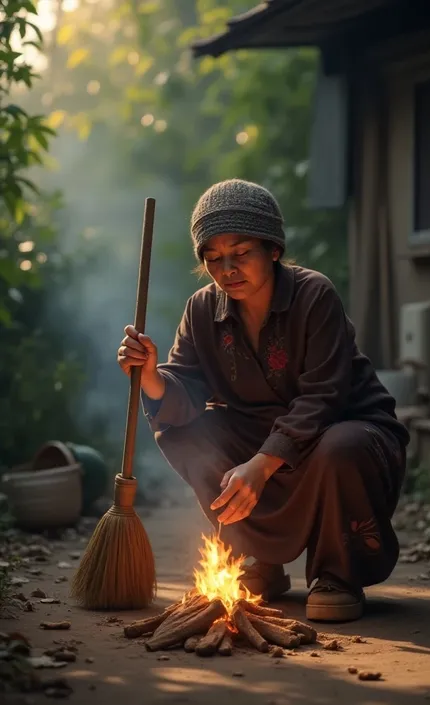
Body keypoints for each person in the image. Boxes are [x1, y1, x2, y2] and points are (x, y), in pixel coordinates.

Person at [117, 179, 410, 622]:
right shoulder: (201, 310)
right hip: (259, 436)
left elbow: (324, 396)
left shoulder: (314, 295)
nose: (227, 269)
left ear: (273, 249)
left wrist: (262, 464)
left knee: (340, 447)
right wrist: (151, 374)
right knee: (195, 433)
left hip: (341, 431)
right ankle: (257, 559)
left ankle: (336, 573)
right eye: (213, 259)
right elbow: (185, 395)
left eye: (241, 253)